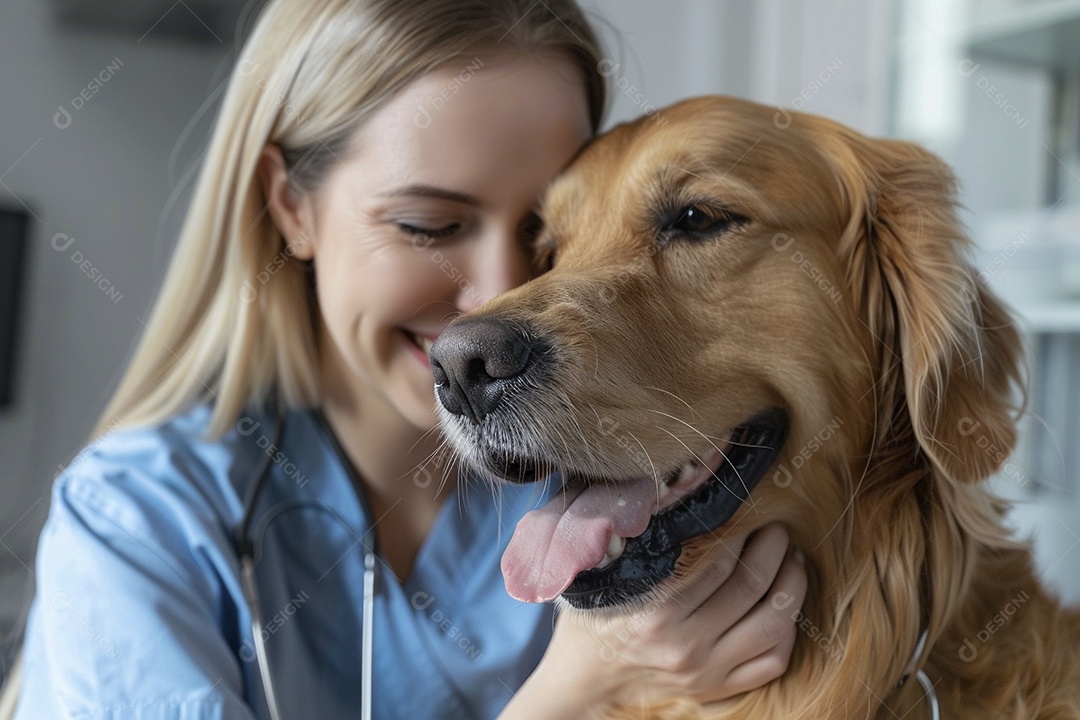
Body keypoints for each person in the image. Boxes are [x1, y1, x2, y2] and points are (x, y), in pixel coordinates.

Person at [11, 0, 808, 717]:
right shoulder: (134, 526)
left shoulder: (646, 496)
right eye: (428, 225)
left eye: (548, 239)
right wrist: (581, 689)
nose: (499, 295)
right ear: (292, 206)